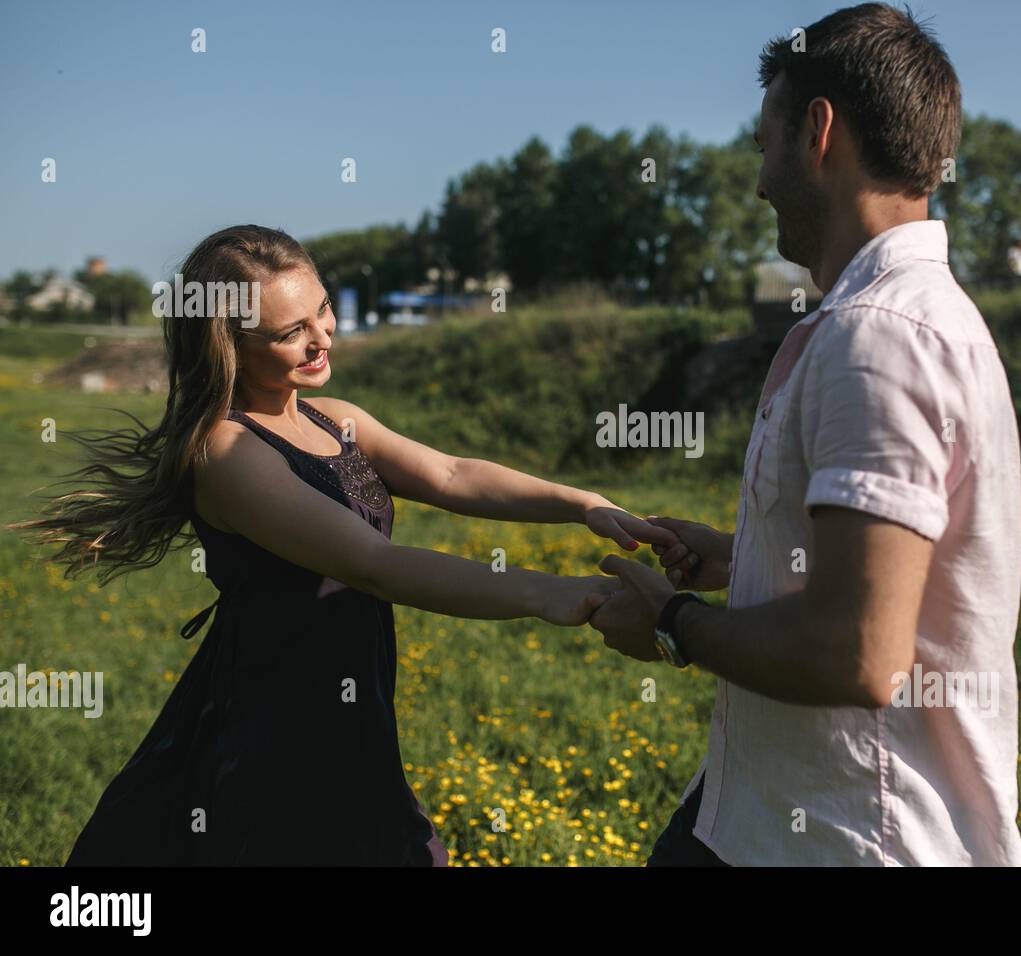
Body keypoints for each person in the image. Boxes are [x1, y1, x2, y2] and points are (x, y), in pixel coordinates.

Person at [13, 224, 676, 866]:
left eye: (322, 310)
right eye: (289, 333)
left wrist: (583, 505)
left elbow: (451, 474)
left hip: (351, 704)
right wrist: (551, 593)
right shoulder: (227, 451)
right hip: (275, 717)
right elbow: (375, 565)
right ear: (230, 345)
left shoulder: (337, 420)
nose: (321, 338)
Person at [591, 3, 1021, 867]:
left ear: (817, 132)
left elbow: (854, 654)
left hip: (845, 834)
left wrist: (674, 622)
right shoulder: (900, 319)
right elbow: (883, 579)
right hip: (763, 809)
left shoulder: (882, 335)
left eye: (764, 146)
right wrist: (744, 554)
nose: (758, 183)